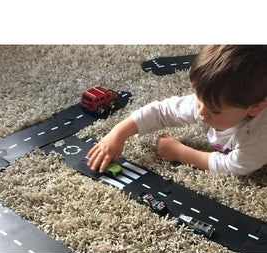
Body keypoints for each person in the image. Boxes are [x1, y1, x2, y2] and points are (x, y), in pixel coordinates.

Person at [87, 45, 267, 175]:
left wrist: (180, 153)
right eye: (197, 97)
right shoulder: (209, 101)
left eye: (215, 111)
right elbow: (161, 111)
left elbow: (235, 165)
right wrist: (118, 133)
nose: (202, 112)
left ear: (255, 108)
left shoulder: (258, 136)